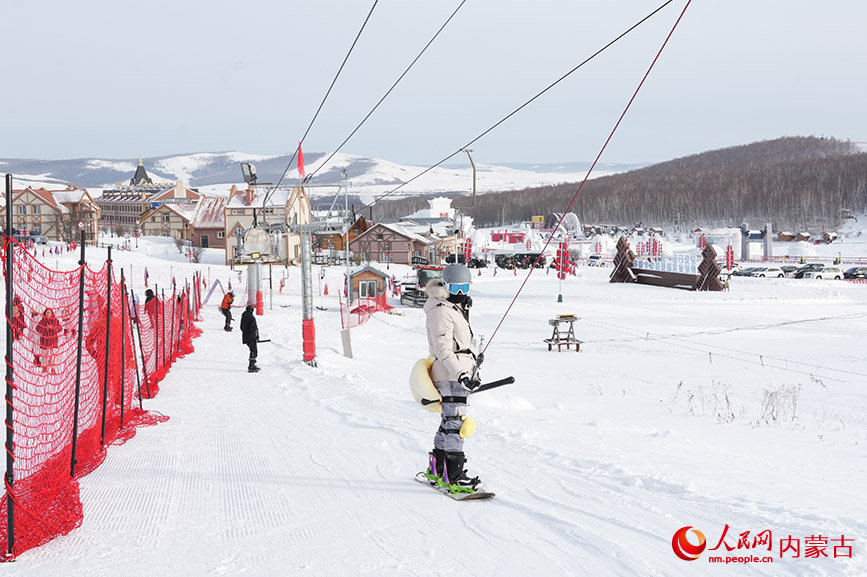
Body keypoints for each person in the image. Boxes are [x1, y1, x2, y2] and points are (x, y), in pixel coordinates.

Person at [422, 263, 482, 491]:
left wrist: (472, 373)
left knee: (448, 422)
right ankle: (453, 475)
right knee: (456, 424)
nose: (460, 293)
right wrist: (462, 374)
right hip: (450, 374)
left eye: (465, 287)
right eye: (456, 287)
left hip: (457, 373)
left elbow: (464, 345)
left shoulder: (451, 308)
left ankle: (437, 468)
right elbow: (443, 350)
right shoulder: (440, 310)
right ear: (445, 285)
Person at [35, 307, 62, 374]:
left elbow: (60, 328)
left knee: (53, 355)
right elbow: (37, 329)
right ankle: (45, 367)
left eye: (49, 312)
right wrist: (45, 328)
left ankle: (53, 369)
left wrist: (53, 328)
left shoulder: (55, 320)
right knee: (44, 355)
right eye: (47, 312)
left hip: (53, 341)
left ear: (52, 313)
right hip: (44, 341)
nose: (48, 314)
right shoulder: (42, 321)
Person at [240, 304, 260, 373]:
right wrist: (256, 335)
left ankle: (252, 364)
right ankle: (251, 366)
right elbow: (254, 327)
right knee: (254, 351)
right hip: (251, 336)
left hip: (246, 336)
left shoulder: (244, 316)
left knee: (252, 350)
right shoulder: (251, 317)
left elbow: (241, 328)